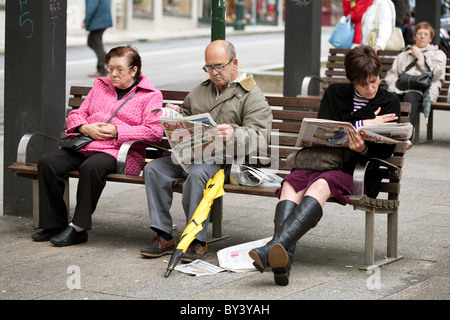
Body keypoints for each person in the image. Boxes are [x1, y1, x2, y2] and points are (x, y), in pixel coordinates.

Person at [249, 45, 401, 286]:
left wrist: (362, 148)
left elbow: (387, 149)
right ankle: (281, 258)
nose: (371, 88)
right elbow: (325, 128)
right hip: (322, 160)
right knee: (291, 182)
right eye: (363, 84)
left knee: (322, 183)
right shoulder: (334, 93)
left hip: (357, 170)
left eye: (374, 81)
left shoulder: (389, 101)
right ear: (352, 80)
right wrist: (364, 121)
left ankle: (272, 249)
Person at [140, 40, 273, 262]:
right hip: (190, 154)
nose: (214, 72)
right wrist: (175, 113)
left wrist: (234, 133)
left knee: (199, 173)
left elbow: (261, 134)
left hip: (224, 160)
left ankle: (197, 240)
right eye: (209, 67)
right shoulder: (201, 90)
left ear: (234, 63)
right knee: (154, 169)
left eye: (219, 66)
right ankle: (163, 235)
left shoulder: (251, 94)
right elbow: (188, 113)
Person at [31, 46, 164, 246]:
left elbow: (154, 133)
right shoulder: (100, 87)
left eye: (119, 69)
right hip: (86, 144)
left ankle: (78, 228)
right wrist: (85, 128)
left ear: (134, 70)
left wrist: (117, 131)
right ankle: (54, 225)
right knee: (48, 162)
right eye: (110, 68)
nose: (113, 74)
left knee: (92, 167)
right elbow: (76, 115)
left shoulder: (150, 95)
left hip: (121, 152)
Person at [385, 21, 446, 142]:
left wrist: (422, 59)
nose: (422, 36)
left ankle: (407, 137)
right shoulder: (404, 54)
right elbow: (392, 74)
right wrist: (393, 86)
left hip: (424, 91)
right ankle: (390, 133)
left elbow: (435, 76)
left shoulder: (438, 54)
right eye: (419, 33)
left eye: (426, 34)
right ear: (414, 36)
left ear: (430, 38)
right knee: (391, 97)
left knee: (410, 97)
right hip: (400, 88)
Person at [83, 0, 113, 77]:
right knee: (94, 42)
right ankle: (111, 63)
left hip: (98, 21)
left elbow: (91, 7)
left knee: (94, 42)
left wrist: (86, 21)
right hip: (102, 20)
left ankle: (102, 69)